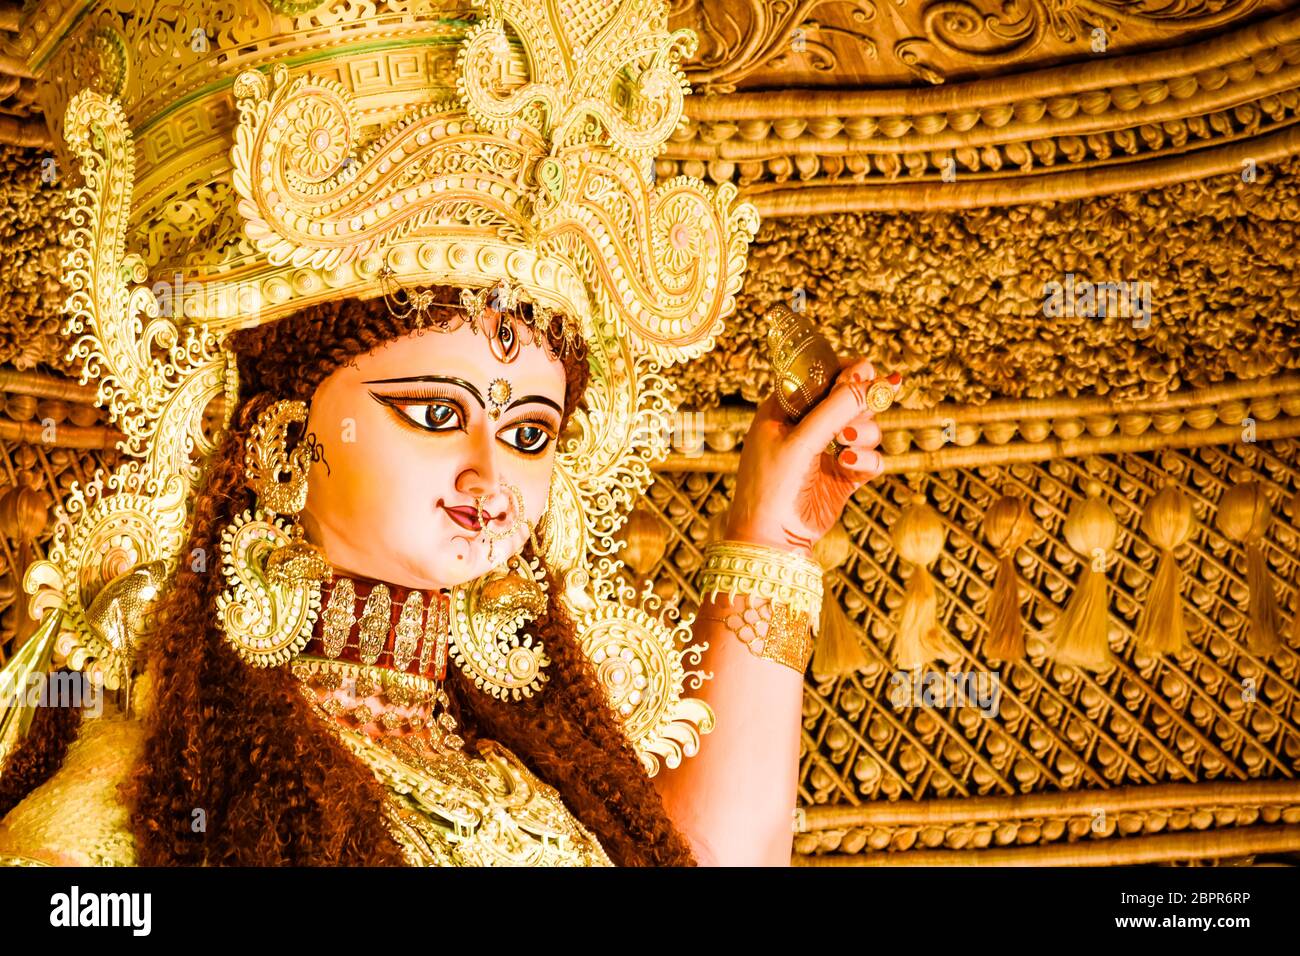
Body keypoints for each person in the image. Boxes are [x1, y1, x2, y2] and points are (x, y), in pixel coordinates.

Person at [0, 0, 894, 867]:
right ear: (281, 442)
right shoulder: (139, 802)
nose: (490, 474)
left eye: (531, 433)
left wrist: (771, 536)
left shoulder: (530, 769)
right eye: (436, 413)